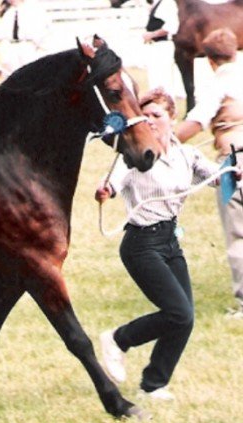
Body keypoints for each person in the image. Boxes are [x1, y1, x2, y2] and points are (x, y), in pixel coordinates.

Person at [96, 87, 242, 401]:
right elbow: (114, 181)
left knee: (184, 318)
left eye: (156, 115)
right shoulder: (135, 158)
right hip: (141, 244)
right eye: (145, 116)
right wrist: (105, 189)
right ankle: (118, 340)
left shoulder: (185, 155)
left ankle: (153, 384)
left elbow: (216, 176)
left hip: (170, 241)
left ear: (171, 118)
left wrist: (234, 171)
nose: (149, 121)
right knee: (178, 313)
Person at [175, 28, 243, 319]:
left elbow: (195, 123)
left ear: (211, 60)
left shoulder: (218, 84)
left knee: (238, 233)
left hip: (234, 162)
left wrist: (164, 142)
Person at [0, 0, 49, 76]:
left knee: (29, 75)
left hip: (27, 47)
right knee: (11, 77)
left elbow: (40, 31)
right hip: (9, 48)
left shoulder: (33, 9)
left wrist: (40, 47)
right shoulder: (7, 12)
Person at [141, 0, 184, 99]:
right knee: (155, 80)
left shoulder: (167, 3)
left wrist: (151, 34)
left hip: (163, 46)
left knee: (164, 80)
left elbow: (171, 27)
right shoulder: (155, 4)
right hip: (154, 46)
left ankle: (168, 106)